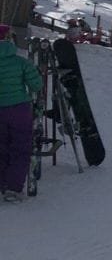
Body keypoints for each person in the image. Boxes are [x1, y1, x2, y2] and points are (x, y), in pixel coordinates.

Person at [0, 24, 43, 202]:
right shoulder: (20, 62)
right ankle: (13, 188)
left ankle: (1, 183)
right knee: (20, 147)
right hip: (19, 109)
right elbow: (37, 85)